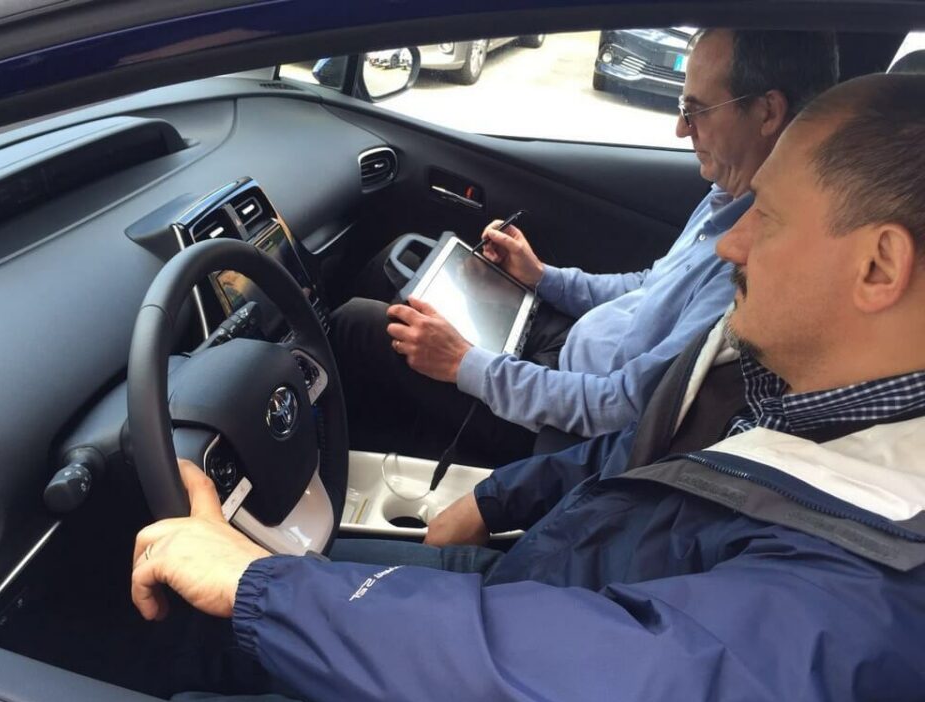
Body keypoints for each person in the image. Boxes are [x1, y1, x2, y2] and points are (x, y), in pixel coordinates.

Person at [134, 72, 925, 702]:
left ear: (879, 267)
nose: (732, 244)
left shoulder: (866, 593)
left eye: (770, 219)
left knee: (180, 675)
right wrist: (499, 497)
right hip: (550, 578)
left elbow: (609, 681)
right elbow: (658, 447)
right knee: (209, 630)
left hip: (542, 654)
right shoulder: (788, 383)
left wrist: (257, 586)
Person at [331, 29, 840, 467]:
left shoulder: (753, 263)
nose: (681, 128)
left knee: (358, 324)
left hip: (562, 424)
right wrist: (542, 277)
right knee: (404, 263)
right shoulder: (726, 198)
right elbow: (651, 286)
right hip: (566, 351)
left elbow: (623, 407)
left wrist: (464, 364)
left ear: (767, 112)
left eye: (697, 110)